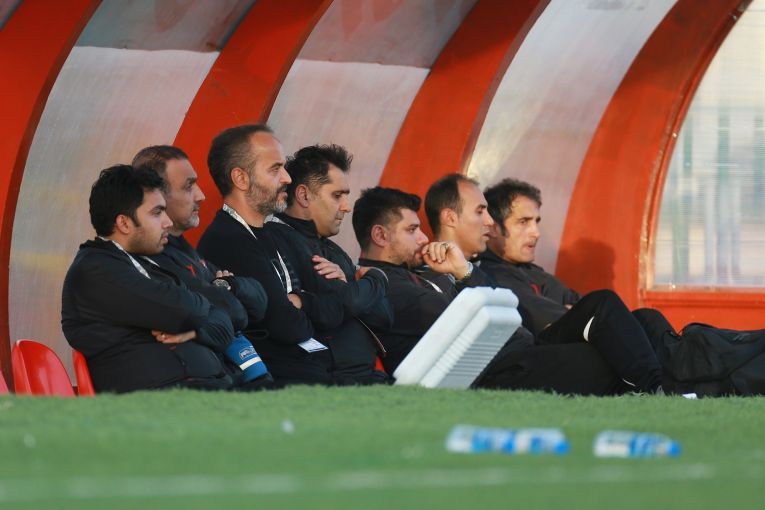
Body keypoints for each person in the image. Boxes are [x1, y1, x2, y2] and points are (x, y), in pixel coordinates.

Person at [62, 165, 242, 393]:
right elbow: (188, 310)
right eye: (157, 213)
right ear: (124, 223)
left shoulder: (147, 262)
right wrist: (200, 309)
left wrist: (195, 330)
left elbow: (225, 322)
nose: (168, 222)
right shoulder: (95, 270)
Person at [197, 124, 341, 385]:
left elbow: (335, 301)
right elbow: (286, 325)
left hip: (318, 370)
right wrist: (309, 307)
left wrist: (301, 301)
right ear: (241, 179)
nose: (287, 178)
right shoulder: (226, 239)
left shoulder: (278, 232)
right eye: (275, 169)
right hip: (281, 382)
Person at [131, 145, 272, 387]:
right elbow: (235, 312)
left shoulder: (185, 249)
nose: (201, 195)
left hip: (240, 380)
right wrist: (227, 290)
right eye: (188, 186)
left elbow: (260, 302)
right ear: (157, 196)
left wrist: (226, 286)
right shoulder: (151, 260)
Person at [265, 144, 392, 384]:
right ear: (304, 195)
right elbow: (344, 303)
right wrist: (377, 278)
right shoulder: (278, 238)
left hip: (366, 378)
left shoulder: (333, 250)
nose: (346, 206)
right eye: (337, 196)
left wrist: (359, 283)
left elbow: (384, 318)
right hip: (331, 385)